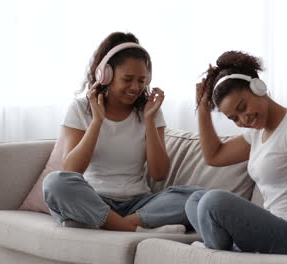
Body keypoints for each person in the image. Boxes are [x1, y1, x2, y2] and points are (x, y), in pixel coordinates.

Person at [42, 32, 203, 233]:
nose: (135, 87)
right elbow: (72, 170)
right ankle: (131, 227)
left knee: (197, 196)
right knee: (55, 183)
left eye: (141, 80)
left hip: (138, 204)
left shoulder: (150, 111)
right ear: (106, 75)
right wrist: (97, 121)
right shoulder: (81, 108)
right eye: (127, 79)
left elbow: (159, 173)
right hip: (93, 198)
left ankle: (104, 223)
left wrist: (150, 121)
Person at [185, 50, 287, 254]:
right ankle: (224, 250)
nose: (244, 119)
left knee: (213, 202)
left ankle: (218, 250)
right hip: (274, 224)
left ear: (258, 87)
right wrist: (202, 107)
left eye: (242, 107)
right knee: (195, 200)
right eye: (234, 118)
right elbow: (214, 156)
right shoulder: (256, 135)